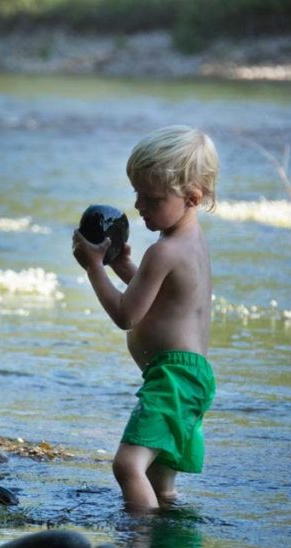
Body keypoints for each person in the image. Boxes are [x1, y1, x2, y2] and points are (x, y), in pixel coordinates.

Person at [72, 125, 218, 511]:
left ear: (192, 197)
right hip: (192, 377)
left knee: (127, 466)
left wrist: (93, 268)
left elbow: (125, 314)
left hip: (173, 377)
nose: (139, 206)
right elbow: (161, 296)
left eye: (151, 199)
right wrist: (121, 266)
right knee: (158, 478)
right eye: (137, 194)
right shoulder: (192, 242)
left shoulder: (164, 251)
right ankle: (170, 544)